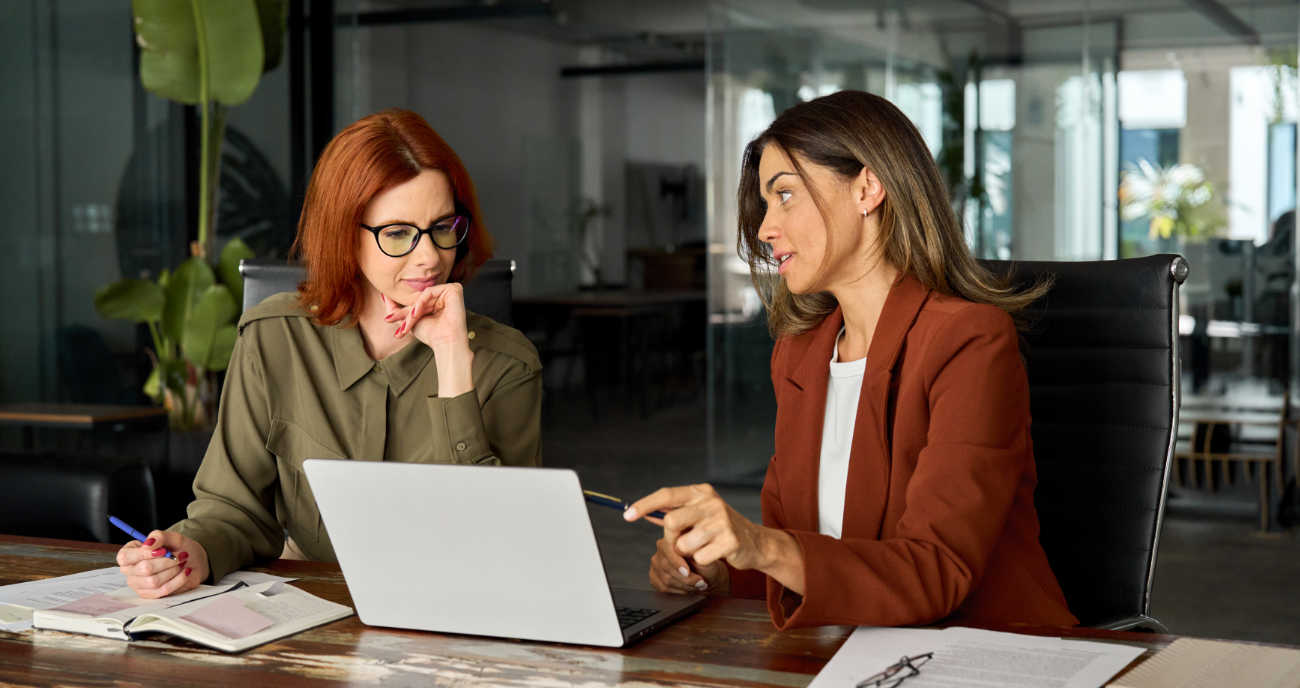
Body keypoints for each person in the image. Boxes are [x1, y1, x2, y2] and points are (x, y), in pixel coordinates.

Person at [626, 90, 1077, 629]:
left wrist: (762, 547)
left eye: (785, 195)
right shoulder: (800, 356)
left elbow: (936, 570)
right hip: (850, 653)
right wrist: (720, 569)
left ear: (867, 187)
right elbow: (812, 559)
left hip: (983, 656)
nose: (767, 227)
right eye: (767, 204)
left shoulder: (969, 342)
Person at [117, 109, 543, 598]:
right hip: (310, 614)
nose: (430, 257)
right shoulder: (275, 339)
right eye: (398, 233)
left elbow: (502, 545)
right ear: (343, 232)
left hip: (454, 616)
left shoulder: (507, 363)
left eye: (443, 226)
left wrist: (452, 364)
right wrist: (192, 551)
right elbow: (233, 511)